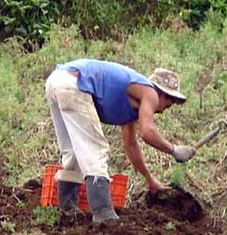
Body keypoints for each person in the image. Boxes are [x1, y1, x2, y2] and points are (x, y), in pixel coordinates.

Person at [45, 58, 196, 223]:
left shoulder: (132, 100)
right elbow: (147, 132)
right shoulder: (150, 93)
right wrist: (174, 150)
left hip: (56, 81)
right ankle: (104, 215)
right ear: (162, 94)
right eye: (170, 102)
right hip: (75, 84)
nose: (166, 109)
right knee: (95, 149)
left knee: (73, 150)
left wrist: (150, 180)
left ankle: (67, 210)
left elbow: (130, 145)